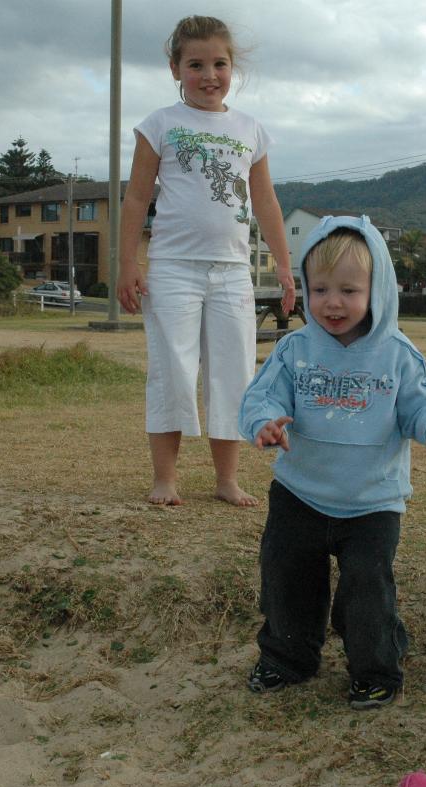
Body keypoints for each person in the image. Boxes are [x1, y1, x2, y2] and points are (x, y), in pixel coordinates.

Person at [239, 215, 426, 709]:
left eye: (349, 290)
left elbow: (421, 404)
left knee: (367, 592)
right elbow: (261, 398)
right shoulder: (295, 348)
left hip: (373, 503)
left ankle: (376, 670)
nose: (333, 302)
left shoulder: (396, 353)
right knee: (287, 583)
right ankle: (288, 658)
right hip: (299, 495)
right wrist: (264, 423)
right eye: (321, 288)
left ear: (380, 290)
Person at [117, 15, 296, 507]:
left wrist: (283, 265)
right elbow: (135, 199)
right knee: (172, 370)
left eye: (219, 63)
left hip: (233, 271)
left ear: (232, 67)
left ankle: (226, 479)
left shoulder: (250, 129)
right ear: (175, 68)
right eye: (196, 64)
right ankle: (165, 479)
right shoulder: (159, 125)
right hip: (172, 267)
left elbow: (266, 204)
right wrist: (129, 263)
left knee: (232, 372)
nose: (209, 74)